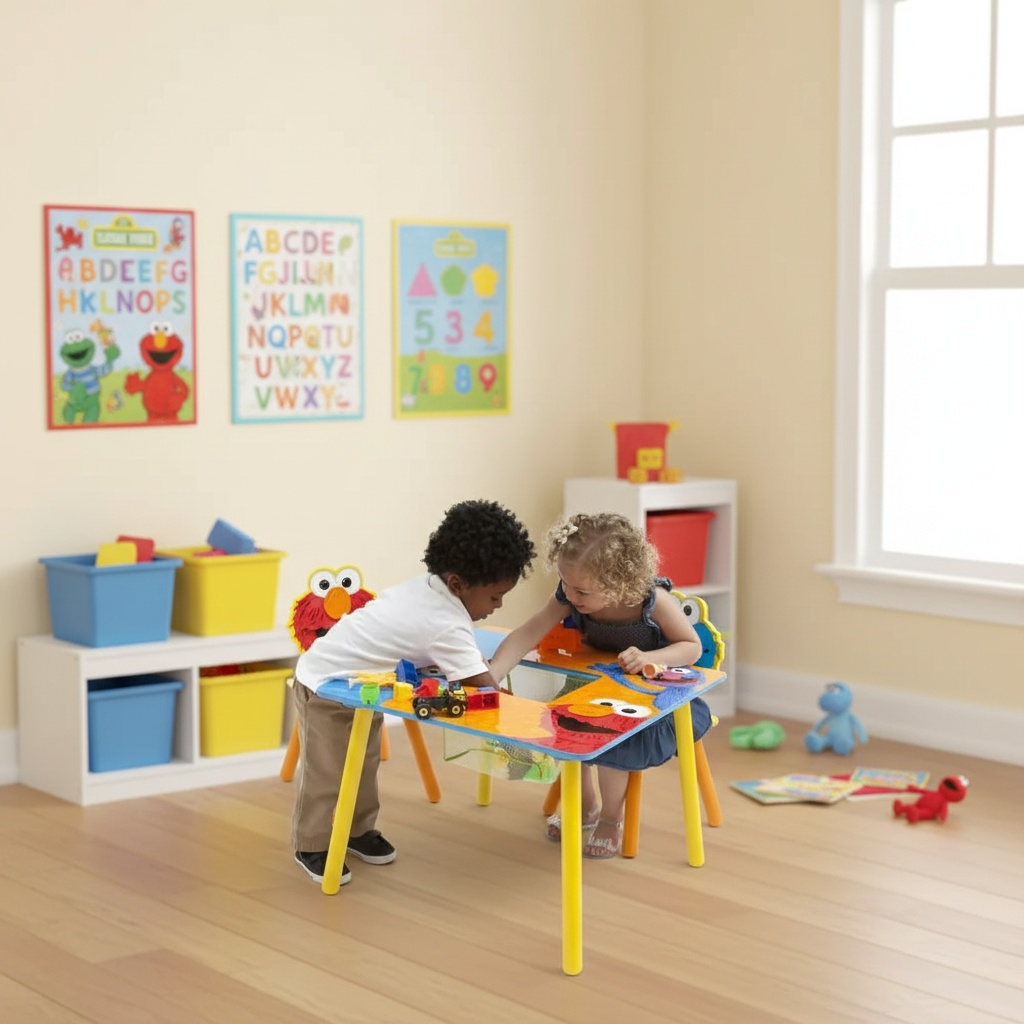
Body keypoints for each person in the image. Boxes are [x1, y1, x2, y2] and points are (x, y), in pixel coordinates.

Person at [291, 499, 536, 887]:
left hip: (362, 684)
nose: (498, 605)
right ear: (458, 583)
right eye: (494, 597)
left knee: (363, 761)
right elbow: (486, 688)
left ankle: (357, 830)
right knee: (327, 771)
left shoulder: (429, 589)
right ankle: (311, 843)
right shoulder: (445, 623)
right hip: (324, 684)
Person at [488, 511, 712, 859]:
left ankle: (610, 817)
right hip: (594, 689)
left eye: (581, 590)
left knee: (613, 746)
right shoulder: (568, 596)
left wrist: (653, 658)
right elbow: (528, 633)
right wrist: (493, 673)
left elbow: (692, 647)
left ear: (622, 583)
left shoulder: (651, 602)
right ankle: (584, 805)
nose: (569, 594)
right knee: (560, 728)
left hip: (647, 698)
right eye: (565, 582)